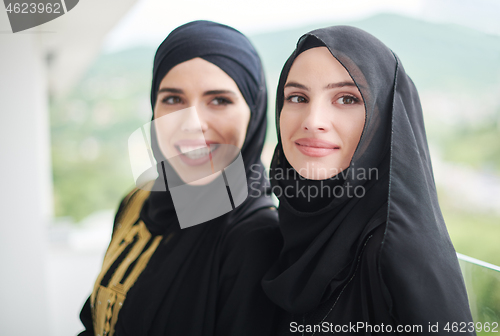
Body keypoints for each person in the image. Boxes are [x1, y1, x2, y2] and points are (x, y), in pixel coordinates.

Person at [262, 26, 475, 335]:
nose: (313, 121)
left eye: (347, 99)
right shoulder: (291, 219)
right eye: (297, 97)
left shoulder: (399, 251)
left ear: (384, 118)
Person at [78, 20, 282, 336]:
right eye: (173, 99)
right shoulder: (140, 199)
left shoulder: (255, 239)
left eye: (219, 100)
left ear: (253, 112)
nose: (191, 123)